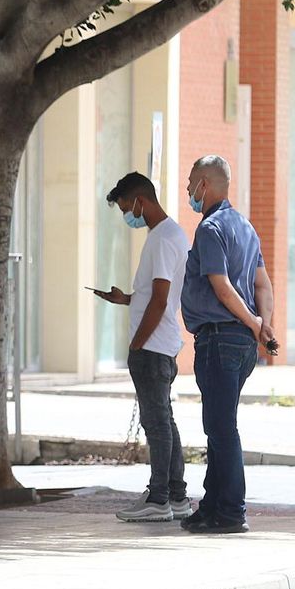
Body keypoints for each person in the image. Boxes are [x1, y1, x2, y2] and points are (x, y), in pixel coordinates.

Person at [179, 155, 274, 536]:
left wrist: (254, 323)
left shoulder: (211, 228)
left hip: (220, 338)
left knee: (221, 428)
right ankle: (212, 506)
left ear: (206, 183)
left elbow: (220, 285)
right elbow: (263, 285)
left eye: (190, 182)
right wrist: (265, 326)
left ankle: (232, 511)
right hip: (241, 343)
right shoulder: (246, 228)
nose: (188, 190)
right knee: (219, 425)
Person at [93, 172, 194, 524]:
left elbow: (162, 300)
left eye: (126, 208)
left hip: (152, 347)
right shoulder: (168, 235)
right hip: (161, 344)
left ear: (141, 201)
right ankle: (177, 495)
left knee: (157, 424)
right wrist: (126, 300)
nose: (127, 216)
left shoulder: (163, 239)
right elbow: (153, 296)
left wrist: (137, 343)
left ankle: (159, 497)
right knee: (164, 419)